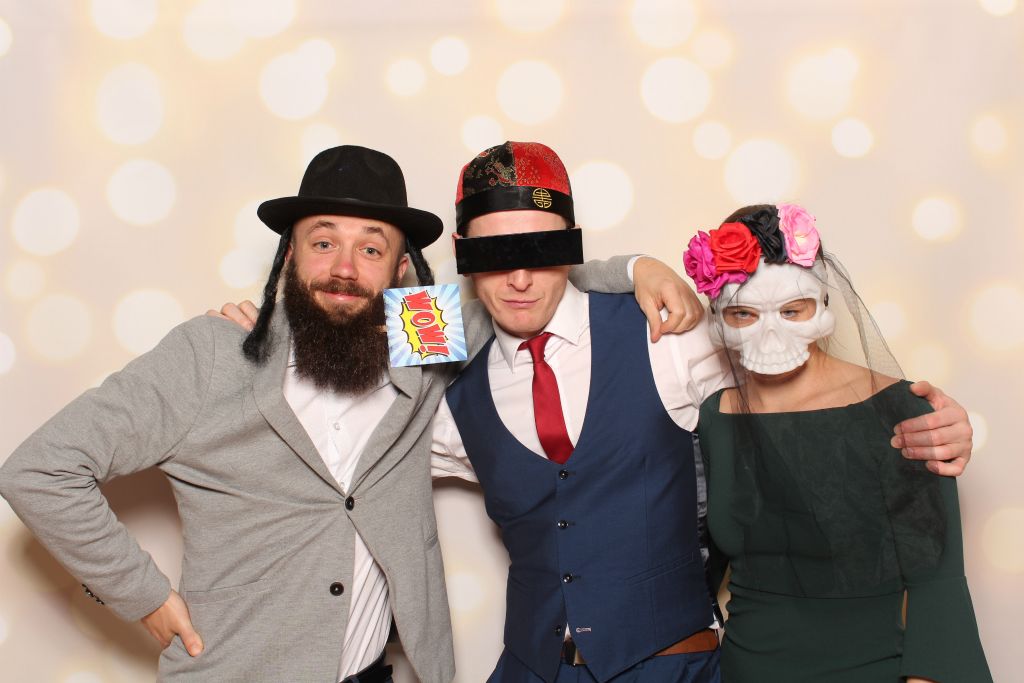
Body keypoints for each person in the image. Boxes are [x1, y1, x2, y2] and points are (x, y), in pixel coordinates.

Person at [0, 145, 688, 682]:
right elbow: (40, 470)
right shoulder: (213, 353)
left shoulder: (419, 337)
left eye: (372, 247)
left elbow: (528, 287)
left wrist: (637, 270)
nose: (345, 267)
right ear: (289, 253)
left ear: (399, 270)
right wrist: (143, 595)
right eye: (323, 241)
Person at [428, 143, 976, 683]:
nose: (519, 278)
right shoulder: (451, 388)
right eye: (493, 255)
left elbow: (796, 396)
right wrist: (403, 269)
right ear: (461, 254)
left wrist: (918, 424)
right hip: (529, 669)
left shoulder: (668, 332)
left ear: (572, 245)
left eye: (543, 248)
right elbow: (381, 378)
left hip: (672, 667)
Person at [687, 204, 992, 682]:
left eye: (792, 310)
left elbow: (938, 583)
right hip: (745, 670)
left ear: (821, 305)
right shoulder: (715, 416)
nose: (770, 330)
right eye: (743, 313)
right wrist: (635, 270)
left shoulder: (900, 410)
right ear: (719, 314)